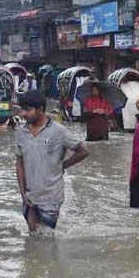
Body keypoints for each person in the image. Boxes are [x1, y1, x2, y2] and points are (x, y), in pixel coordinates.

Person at [15, 90, 89, 232]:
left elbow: (83, 151)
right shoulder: (21, 132)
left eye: (28, 110)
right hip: (30, 195)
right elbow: (19, 163)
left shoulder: (59, 131)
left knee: (47, 238)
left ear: (41, 110)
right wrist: (23, 193)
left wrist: (63, 165)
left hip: (51, 197)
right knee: (33, 237)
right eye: (22, 110)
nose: (23, 114)